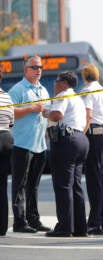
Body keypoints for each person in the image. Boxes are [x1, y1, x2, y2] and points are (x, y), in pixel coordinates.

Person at [8, 55, 50, 233]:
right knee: (19, 185)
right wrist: (31, 108)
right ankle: (19, 222)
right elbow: (9, 113)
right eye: (34, 67)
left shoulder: (44, 90)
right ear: (26, 70)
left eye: (40, 67)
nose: (38, 70)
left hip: (40, 144)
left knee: (34, 185)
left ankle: (33, 219)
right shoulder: (17, 90)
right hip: (22, 144)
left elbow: (46, 114)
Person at [46, 71, 89, 237]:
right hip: (80, 139)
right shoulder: (78, 98)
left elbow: (56, 115)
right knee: (76, 185)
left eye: (57, 80)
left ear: (63, 83)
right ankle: (80, 227)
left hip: (66, 140)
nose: (55, 84)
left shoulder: (62, 95)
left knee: (63, 185)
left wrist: (47, 113)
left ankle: (65, 227)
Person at [82, 64, 103, 235]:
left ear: (84, 76)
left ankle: (95, 223)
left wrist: (82, 133)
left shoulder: (88, 91)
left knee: (94, 179)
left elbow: (88, 115)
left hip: (95, 133)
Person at [0, 65, 14, 236]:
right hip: (6, 139)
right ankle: (2, 226)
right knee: (2, 186)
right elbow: (11, 123)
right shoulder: (8, 97)